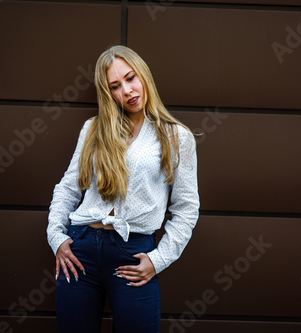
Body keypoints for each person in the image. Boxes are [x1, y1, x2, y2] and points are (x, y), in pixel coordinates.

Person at [46, 45, 200, 333]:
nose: (127, 90)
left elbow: (187, 208)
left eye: (131, 78)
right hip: (81, 252)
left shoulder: (176, 136)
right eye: (115, 86)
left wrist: (159, 259)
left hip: (134, 254)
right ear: (108, 94)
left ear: (143, 75)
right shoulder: (93, 129)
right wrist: (56, 236)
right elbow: (68, 187)